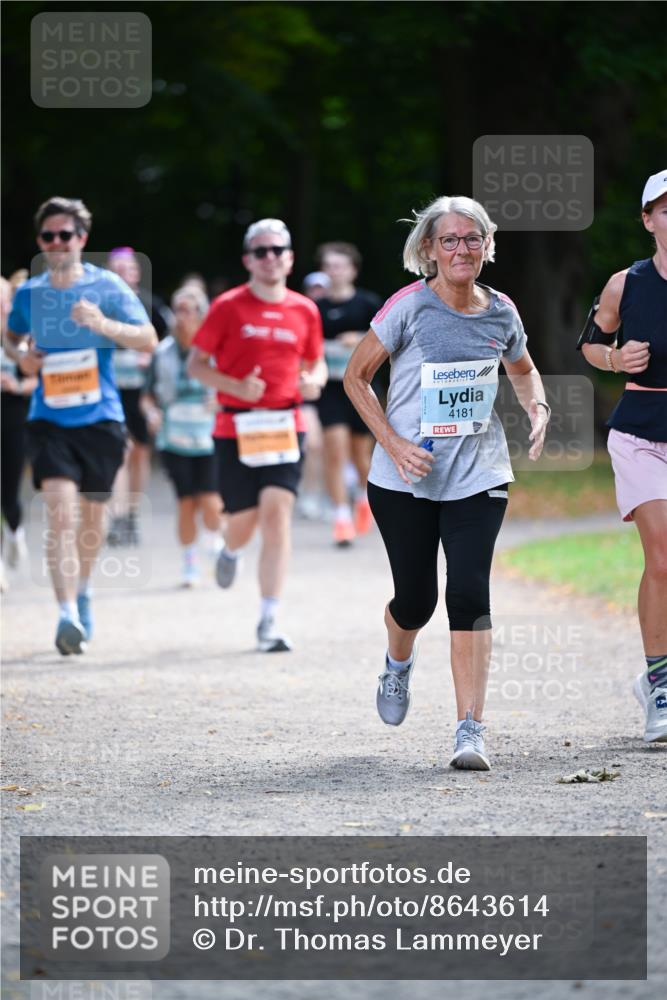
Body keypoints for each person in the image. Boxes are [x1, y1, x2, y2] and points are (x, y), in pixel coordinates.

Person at [344, 195, 549, 770]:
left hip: (479, 474)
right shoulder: (407, 308)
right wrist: (394, 443)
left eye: (472, 238)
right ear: (429, 250)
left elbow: (524, 369)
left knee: (468, 593)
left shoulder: (501, 311)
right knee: (416, 600)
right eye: (450, 240)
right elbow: (356, 377)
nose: (462, 249)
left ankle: (470, 729)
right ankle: (397, 662)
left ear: (486, 245)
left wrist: (537, 407)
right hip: (403, 479)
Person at [4, 197, 157, 654]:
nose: (56, 243)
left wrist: (103, 323)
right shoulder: (30, 293)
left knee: (91, 522)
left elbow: (149, 337)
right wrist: (21, 358)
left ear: (81, 239)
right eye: (47, 236)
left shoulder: (107, 286)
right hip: (48, 420)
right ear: (39, 241)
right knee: (60, 514)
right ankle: (66, 613)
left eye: (64, 235)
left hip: (100, 420)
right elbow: (11, 338)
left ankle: (83, 588)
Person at [187, 218, 326, 651]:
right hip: (236, 426)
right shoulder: (228, 306)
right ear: (248, 259)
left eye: (277, 250)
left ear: (290, 258)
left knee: (277, 513)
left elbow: (315, 362)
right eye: (261, 251)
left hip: (286, 424)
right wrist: (235, 387)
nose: (270, 258)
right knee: (243, 521)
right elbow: (196, 365)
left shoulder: (305, 309)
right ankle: (229, 550)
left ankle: (269, 617)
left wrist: (314, 381)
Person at [579, 170, 667, 744]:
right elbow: (589, 342)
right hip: (640, 432)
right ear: (648, 219)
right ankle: (661, 684)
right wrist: (616, 360)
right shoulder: (626, 283)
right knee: (663, 558)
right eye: (665, 209)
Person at [142, 284, 224, 587]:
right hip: (173, 437)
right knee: (185, 502)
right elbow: (147, 394)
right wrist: (151, 412)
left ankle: (215, 543)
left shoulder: (216, 350)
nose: (182, 317)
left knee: (211, 503)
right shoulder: (161, 351)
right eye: (178, 310)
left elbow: (233, 389)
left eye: (189, 311)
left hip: (209, 437)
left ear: (202, 316)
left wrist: (222, 401)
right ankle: (190, 559)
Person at [316, 242, 382, 546]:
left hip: (361, 387)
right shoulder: (315, 308)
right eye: (329, 266)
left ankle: (363, 500)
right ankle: (341, 517)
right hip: (329, 388)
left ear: (353, 270)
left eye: (340, 265)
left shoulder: (368, 303)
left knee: (359, 455)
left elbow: (387, 341)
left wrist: (357, 339)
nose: (334, 271)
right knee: (334, 451)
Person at [106, 247, 171, 546]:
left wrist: (152, 354)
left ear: (136, 272)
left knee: (140, 452)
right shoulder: (99, 304)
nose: (122, 273)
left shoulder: (149, 303)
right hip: (111, 389)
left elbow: (168, 340)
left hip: (141, 390)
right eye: (116, 268)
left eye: (127, 268)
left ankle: (131, 514)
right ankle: (117, 516)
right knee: (119, 451)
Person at [1, 275, 37, 576]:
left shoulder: (23, 339)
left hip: (14, 416)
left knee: (9, 493)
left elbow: (39, 381)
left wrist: (15, 385)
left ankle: (15, 531)